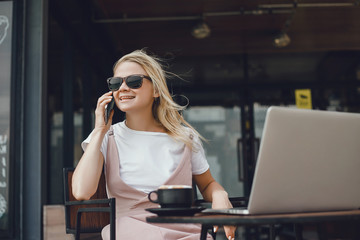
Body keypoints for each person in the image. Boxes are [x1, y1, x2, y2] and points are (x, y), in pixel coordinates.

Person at [72, 49, 236, 240]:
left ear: (156, 90)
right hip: (131, 231)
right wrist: (99, 129)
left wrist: (220, 196)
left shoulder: (185, 137)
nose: (123, 88)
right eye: (116, 83)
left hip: (185, 228)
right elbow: (82, 191)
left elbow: (207, 184)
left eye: (134, 81)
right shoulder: (107, 136)